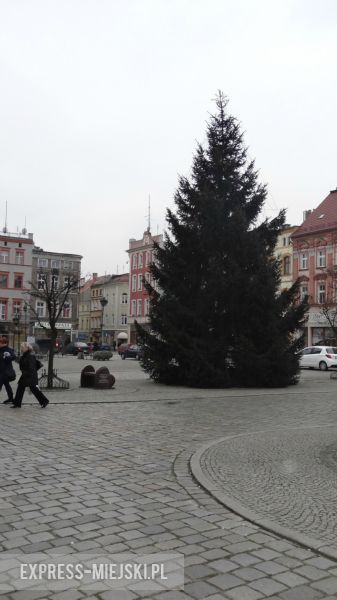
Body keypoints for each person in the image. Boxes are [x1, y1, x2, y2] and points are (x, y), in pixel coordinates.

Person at [12, 342, 49, 408]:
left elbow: (31, 367)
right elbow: (23, 363)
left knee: (34, 389)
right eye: (21, 347)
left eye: (22, 347)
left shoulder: (30, 355)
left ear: (27, 348)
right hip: (26, 374)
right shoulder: (25, 354)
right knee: (20, 388)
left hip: (30, 375)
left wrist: (26, 373)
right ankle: (17, 404)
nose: (21, 349)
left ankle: (44, 401)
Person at [0, 336, 16, 404]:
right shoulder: (0, 350)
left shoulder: (8, 350)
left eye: (0, 342)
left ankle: (11, 398)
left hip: (5, 372)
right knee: (6, 384)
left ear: (4, 343)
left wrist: (7, 357)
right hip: (1, 371)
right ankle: (11, 398)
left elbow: (13, 357)